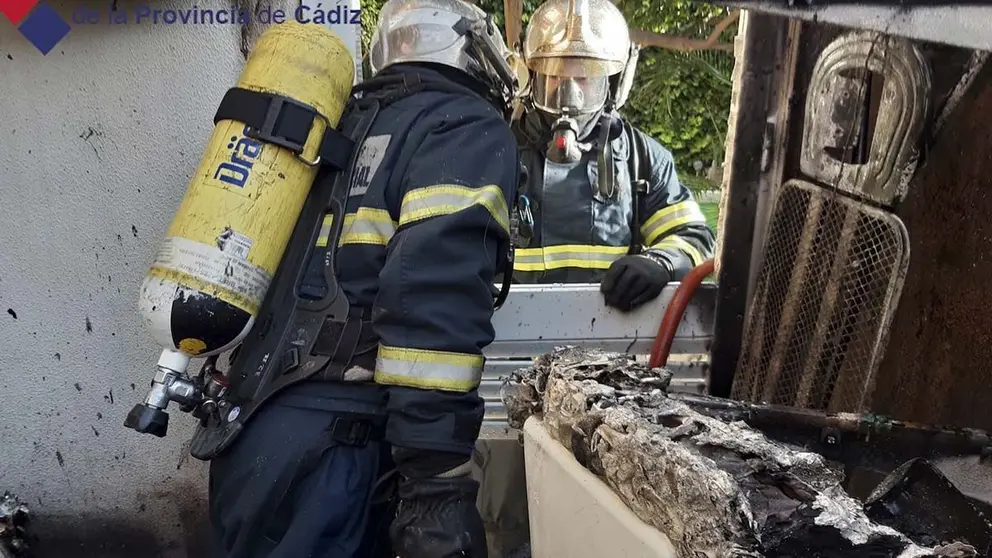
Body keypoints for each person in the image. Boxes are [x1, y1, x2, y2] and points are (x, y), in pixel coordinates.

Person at [207, 2, 520, 557]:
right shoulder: (462, 126)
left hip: (252, 432)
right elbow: (432, 296)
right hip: (333, 460)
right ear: (476, 55)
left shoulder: (343, 123)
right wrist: (436, 482)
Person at [510, 0, 716, 312]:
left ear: (611, 83)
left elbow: (695, 237)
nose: (568, 93)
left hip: (610, 335)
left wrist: (661, 262)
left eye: (583, 76)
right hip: (508, 334)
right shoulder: (498, 151)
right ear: (531, 76)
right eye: (555, 75)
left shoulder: (642, 158)